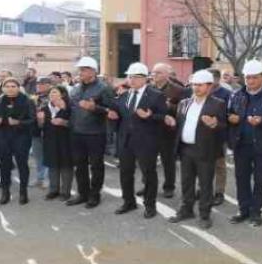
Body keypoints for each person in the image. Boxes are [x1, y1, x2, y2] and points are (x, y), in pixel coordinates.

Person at [165, 70, 226, 229]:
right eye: (194, 85)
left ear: (209, 86)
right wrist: (171, 122)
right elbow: (180, 124)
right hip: (185, 149)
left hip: (205, 150)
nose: (196, 88)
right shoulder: (184, 103)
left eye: (200, 85)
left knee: (205, 184)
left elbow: (224, 127)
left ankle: (205, 215)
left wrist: (214, 124)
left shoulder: (217, 103)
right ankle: (186, 210)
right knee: (186, 182)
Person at [227, 60, 262, 227]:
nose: (250, 82)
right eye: (247, 78)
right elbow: (229, 114)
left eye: (253, 78)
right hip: (241, 145)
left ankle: (255, 212)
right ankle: (243, 209)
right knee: (241, 178)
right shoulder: (236, 95)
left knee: (260, 180)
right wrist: (231, 118)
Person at [108, 62, 168, 219]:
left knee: (149, 174)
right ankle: (129, 202)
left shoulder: (156, 95)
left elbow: (163, 118)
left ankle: (150, 205)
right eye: (129, 77)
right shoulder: (123, 95)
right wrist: (113, 117)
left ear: (145, 79)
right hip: (125, 141)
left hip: (147, 142)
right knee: (125, 173)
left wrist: (149, 116)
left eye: (135, 77)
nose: (131, 80)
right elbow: (118, 115)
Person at [66, 57, 115, 208]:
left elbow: (112, 111)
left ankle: (95, 194)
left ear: (93, 71)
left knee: (96, 165)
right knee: (79, 165)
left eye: (84, 69)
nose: (80, 72)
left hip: (95, 133)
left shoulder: (104, 88)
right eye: (80, 69)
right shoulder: (75, 88)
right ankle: (82, 193)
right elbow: (72, 109)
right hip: (76, 133)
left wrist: (95, 108)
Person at [0, 78, 36, 205]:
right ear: (3, 88)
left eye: (13, 86)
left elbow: (32, 120)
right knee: (5, 165)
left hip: (21, 137)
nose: (10, 88)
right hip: (3, 136)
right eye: (7, 86)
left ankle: (23, 192)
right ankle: (5, 192)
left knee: (22, 164)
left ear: (18, 87)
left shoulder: (27, 101)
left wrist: (19, 122)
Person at [149, 62, 186, 198]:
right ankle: (148, 184)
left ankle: (169, 186)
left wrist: (169, 106)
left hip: (167, 131)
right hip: (151, 129)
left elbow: (183, 110)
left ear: (166, 75)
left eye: (158, 72)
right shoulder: (149, 87)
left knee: (168, 161)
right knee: (149, 160)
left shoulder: (178, 89)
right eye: (153, 72)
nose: (154, 75)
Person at [38, 86, 73, 201]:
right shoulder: (44, 108)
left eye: (55, 92)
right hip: (50, 140)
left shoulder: (69, 107)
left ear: (62, 94)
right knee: (52, 165)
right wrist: (40, 121)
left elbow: (75, 123)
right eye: (50, 93)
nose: (52, 95)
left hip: (66, 140)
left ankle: (65, 191)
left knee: (66, 166)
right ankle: (53, 190)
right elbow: (39, 127)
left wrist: (64, 122)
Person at [206, 68, 232, 206]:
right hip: (202, 135)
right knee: (203, 163)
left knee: (219, 165)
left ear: (216, 79)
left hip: (219, 135)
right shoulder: (201, 90)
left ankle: (219, 192)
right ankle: (204, 189)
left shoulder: (226, 94)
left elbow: (230, 115)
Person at [30, 77, 53, 188]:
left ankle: (49, 179)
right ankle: (40, 178)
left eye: (42, 83)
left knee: (49, 155)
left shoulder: (53, 96)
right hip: (35, 130)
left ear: (49, 85)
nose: (39, 85)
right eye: (38, 83)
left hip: (49, 131)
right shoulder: (34, 97)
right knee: (38, 156)